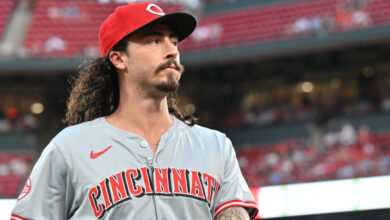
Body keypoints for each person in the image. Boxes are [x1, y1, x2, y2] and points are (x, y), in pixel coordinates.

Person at [11, 2, 258, 220]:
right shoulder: (70, 149)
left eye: (173, 41)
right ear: (119, 59)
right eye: (154, 40)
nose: (172, 50)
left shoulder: (215, 146)